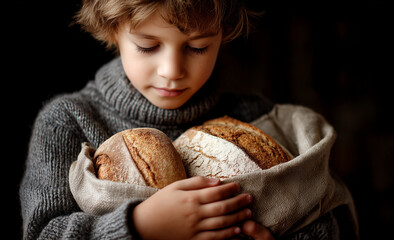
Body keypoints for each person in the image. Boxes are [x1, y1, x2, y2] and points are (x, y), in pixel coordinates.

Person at [20, 0, 355, 239]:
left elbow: (326, 216)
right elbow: (44, 232)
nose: (172, 71)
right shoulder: (68, 121)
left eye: (197, 48)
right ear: (113, 30)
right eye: (148, 46)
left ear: (222, 35)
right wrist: (141, 225)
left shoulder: (258, 120)